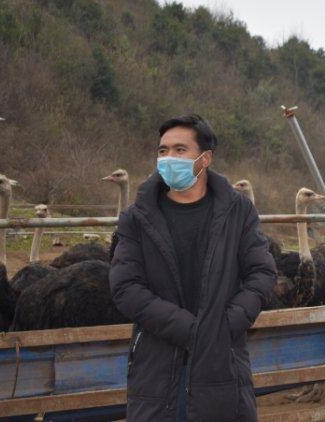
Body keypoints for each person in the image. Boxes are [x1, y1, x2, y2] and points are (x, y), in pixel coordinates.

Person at [110, 114, 277, 421]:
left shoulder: (237, 212)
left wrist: (225, 326)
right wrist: (192, 331)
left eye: (179, 150)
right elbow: (126, 287)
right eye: (163, 151)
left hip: (222, 361)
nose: (168, 158)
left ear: (205, 158)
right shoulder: (137, 217)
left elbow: (262, 274)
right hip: (157, 366)